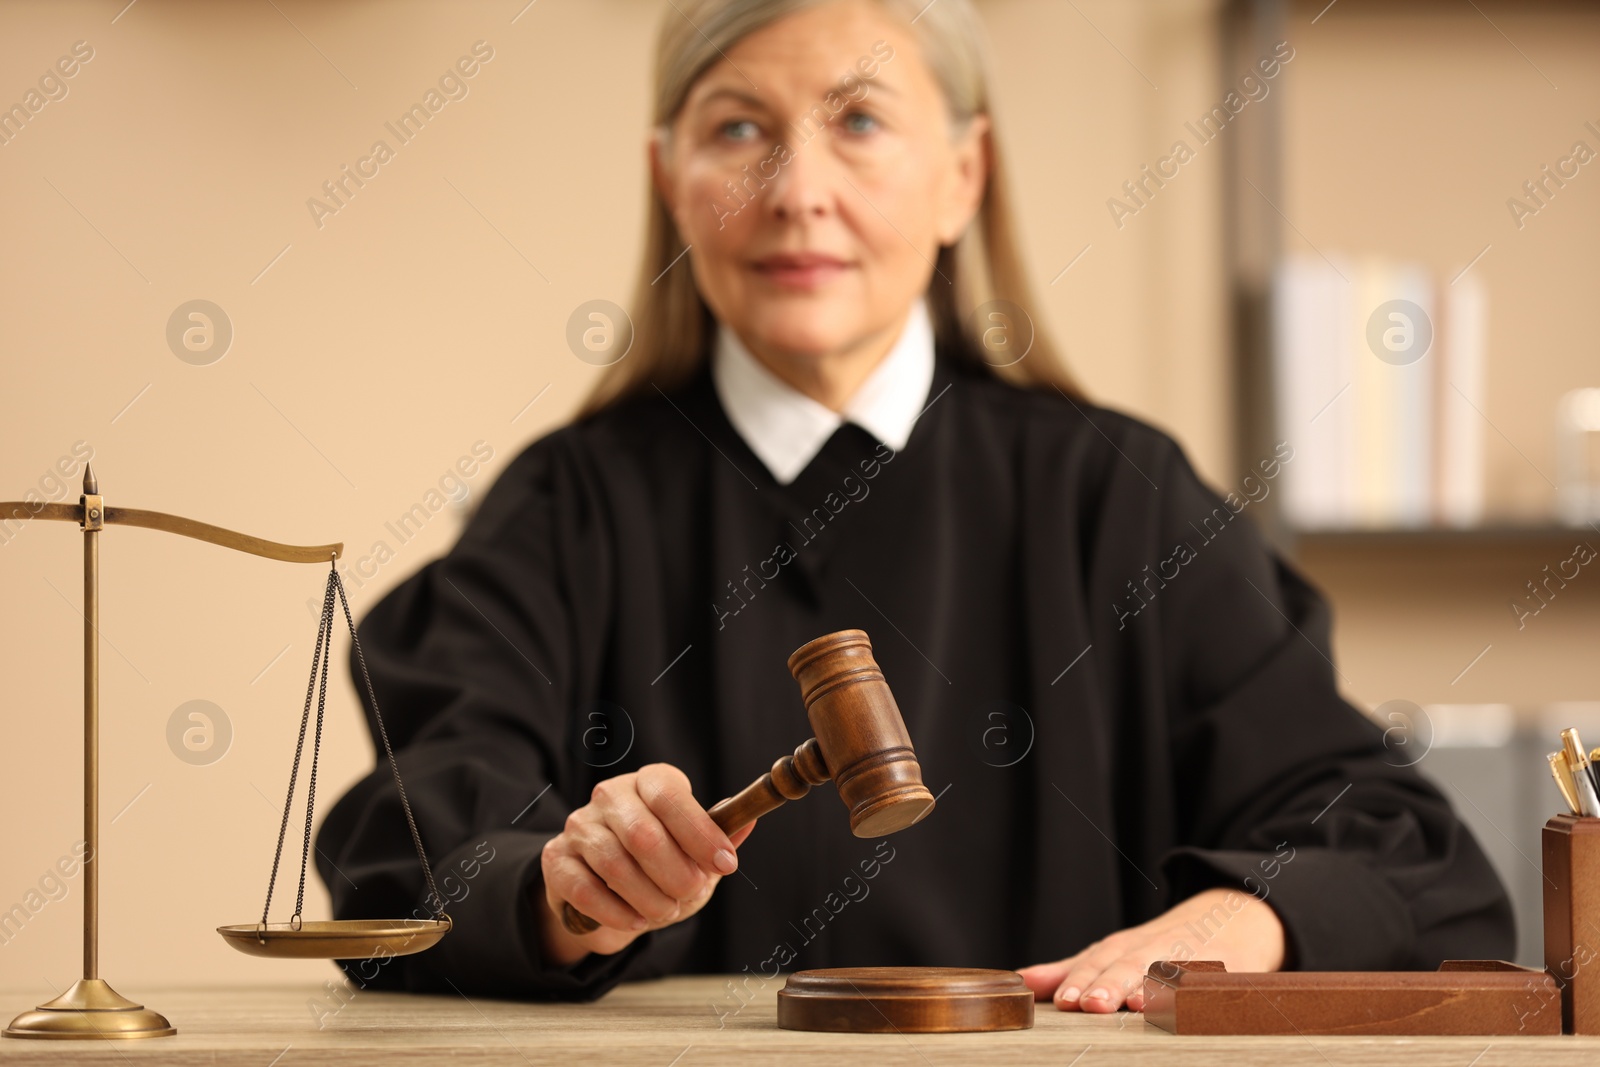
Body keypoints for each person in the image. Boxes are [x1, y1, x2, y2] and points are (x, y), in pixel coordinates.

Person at [316, 0, 1515, 1013]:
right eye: (739, 128)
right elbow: (416, 844)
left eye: (860, 120)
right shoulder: (564, 508)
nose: (798, 193)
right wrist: (563, 891)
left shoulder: (1121, 500)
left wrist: (1243, 914)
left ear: (963, 176)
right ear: (668, 180)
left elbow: (1404, 842)